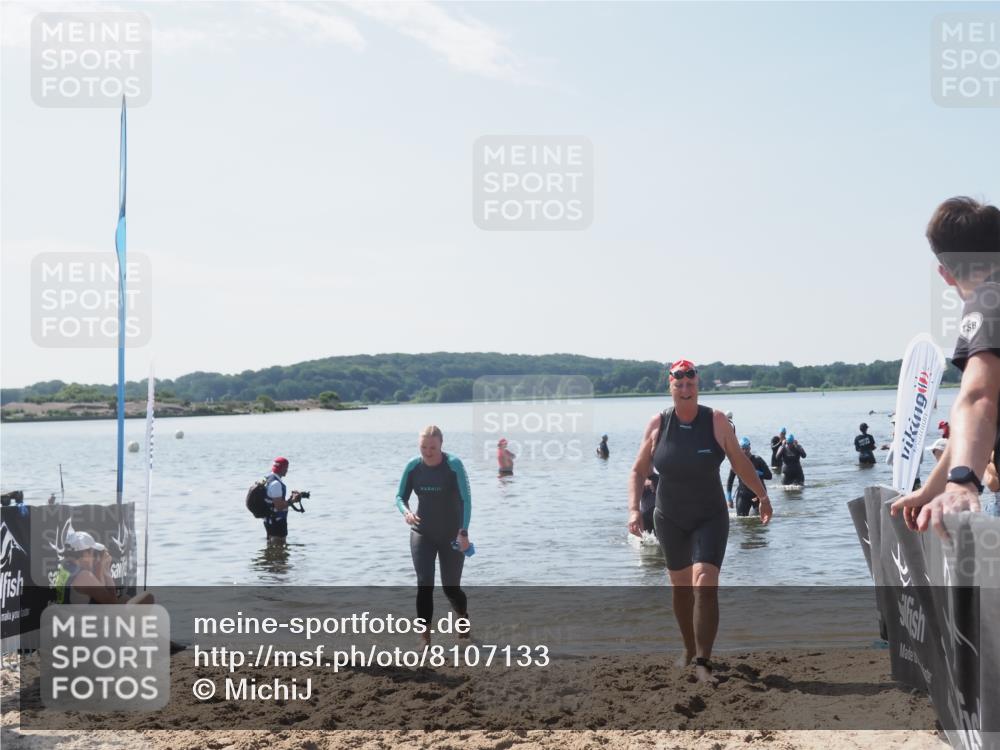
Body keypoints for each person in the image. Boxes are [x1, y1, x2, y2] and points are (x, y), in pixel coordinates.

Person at [628, 359, 772, 684]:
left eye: (690, 383)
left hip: (710, 514)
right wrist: (634, 511)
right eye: (679, 383)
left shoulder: (716, 420)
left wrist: (762, 496)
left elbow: (740, 461)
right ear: (671, 387)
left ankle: (704, 662)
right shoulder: (658, 424)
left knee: (705, 581)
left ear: (697, 385)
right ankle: (688, 650)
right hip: (669, 517)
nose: (685, 388)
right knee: (680, 588)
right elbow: (638, 471)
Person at [891, 197, 1000, 535]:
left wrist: (962, 481)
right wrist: (934, 487)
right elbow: (972, 422)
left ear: (945, 271)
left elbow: (979, 398)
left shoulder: (988, 300)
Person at [396, 425, 473, 644]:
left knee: (451, 587)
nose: (427, 451)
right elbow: (399, 497)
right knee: (424, 584)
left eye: (432, 447)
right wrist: (407, 512)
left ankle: (462, 617)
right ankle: (425, 637)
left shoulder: (453, 465)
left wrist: (463, 532)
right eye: (423, 447)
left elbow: (466, 500)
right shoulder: (413, 467)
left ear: (441, 444)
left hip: (452, 535)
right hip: (422, 533)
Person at [53, 531, 152, 605]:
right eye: (93, 553)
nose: (94, 557)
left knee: (125, 599)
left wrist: (99, 567)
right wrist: (106, 570)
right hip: (82, 626)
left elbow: (100, 596)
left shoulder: (65, 568)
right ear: (85, 553)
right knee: (147, 597)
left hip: (71, 618)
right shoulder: (83, 576)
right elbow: (111, 602)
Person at [726, 438, 773, 516]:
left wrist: (758, 473)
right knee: (741, 518)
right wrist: (729, 498)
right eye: (742, 449)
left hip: (757, 494)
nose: (744, 451)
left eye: (746, 448)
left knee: (758, 517)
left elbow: (769, 476)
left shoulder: (758, 460)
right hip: (743, 494)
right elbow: (730, 481)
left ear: (749, 448)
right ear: (739, 449)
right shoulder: (736, 462)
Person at [263, 457, 303, 544]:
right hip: (277, 521)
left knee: (271, 546)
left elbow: (273, 501)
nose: (287, 470)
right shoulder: (276, 483)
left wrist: (290, 500)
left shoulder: (268, 478)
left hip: (269, 520)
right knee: (280, 545)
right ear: (283, 468)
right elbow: (279, 506)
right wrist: (292, 500)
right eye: (286, 468)